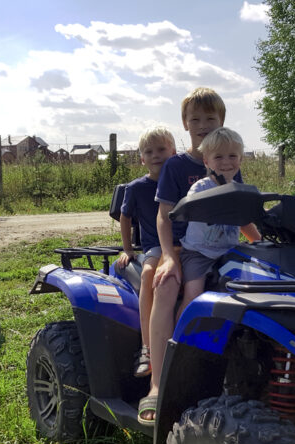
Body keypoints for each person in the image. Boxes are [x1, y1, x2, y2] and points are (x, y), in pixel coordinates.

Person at [138, 87, 243, 425]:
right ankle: (157, 381)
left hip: (220, 247)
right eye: (194, 118)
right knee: (166, 285)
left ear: (221, 121)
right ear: (184, 124)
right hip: (182, 246)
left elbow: (241, 213)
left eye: (210, 118)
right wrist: (168, 257)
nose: (202, 124)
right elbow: (163, 216)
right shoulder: (175, 167)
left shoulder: (228, 162)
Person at [178, 127, 260, 313]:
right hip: (199, 253)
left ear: (241, 159)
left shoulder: (239, 190)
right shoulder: (201, 188)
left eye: (232, 156)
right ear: (207, 161)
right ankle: (179, 340)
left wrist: (260, 243)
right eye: (218, 157)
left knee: (251, 288)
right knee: (194, 295)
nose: (226, 162)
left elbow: (245, 222)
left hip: (229, 252)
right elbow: (193, 206)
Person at [116, 127, 176, 379]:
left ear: (173, 152)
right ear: (142, 158)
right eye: (149, 152)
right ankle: (147, 348)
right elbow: (125, 217)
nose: (156, 155)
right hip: (154, 246)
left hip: (185, 244)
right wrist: (128, 249)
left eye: (162, 149)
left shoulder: (180, 182)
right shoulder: (136, 187)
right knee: (149, 275)